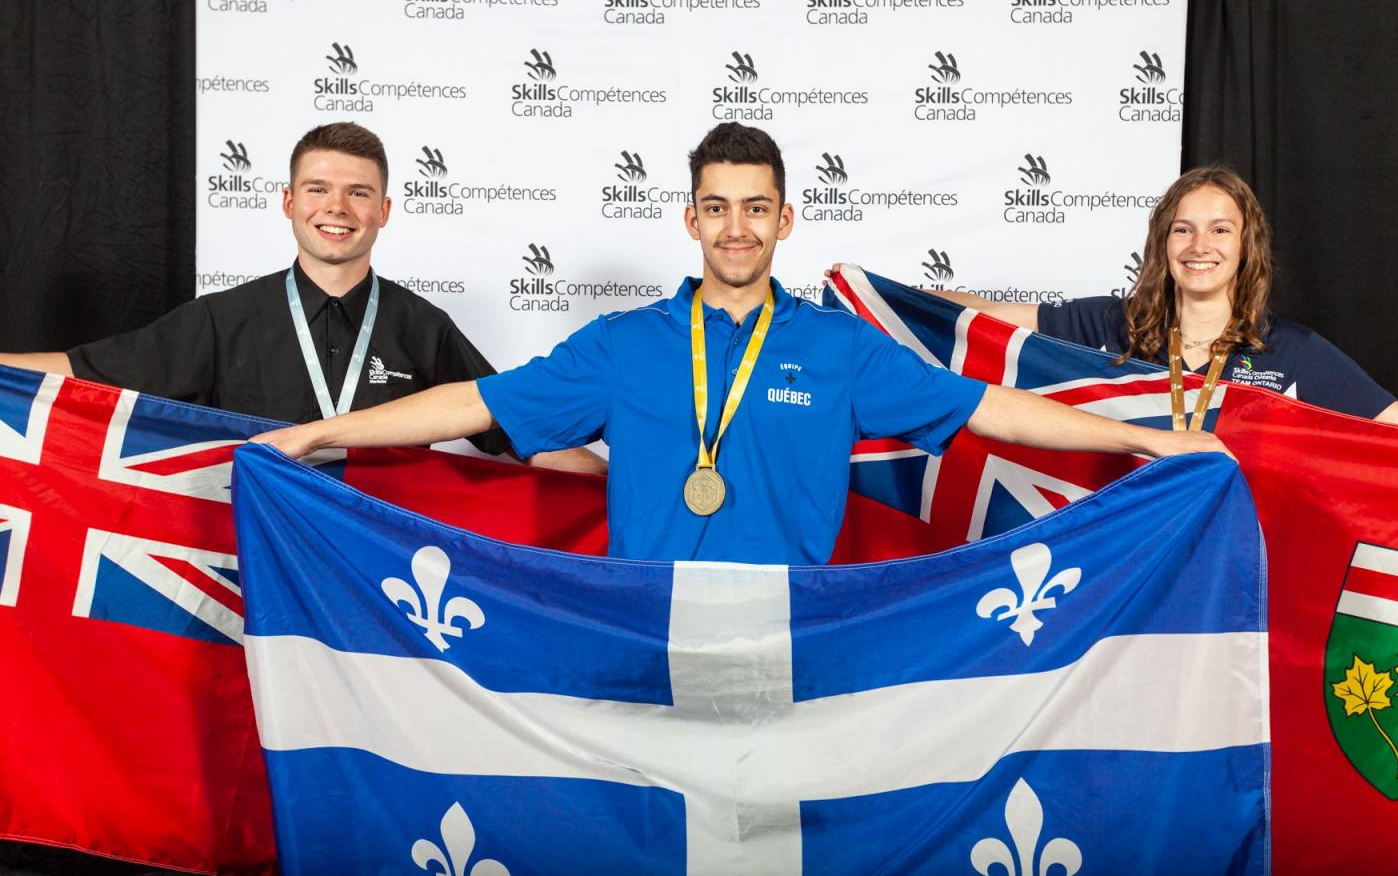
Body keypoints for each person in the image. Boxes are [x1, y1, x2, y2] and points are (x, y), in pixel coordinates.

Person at [255, 123, 1225, 565]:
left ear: (785, 220)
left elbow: (991, 411)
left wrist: (1145, 441)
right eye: (717, 208)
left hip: (796, 634)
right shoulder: (625, 344)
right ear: (689, 219)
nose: (735, 228)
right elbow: (475, 404)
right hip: (648, 630)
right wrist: (316, 435)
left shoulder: (840, 349)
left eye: (755, 209)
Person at [0, 122, 605, 472]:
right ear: (289, 203)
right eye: (318, 189)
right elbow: (85, 374)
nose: (337, 209)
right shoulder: (221, 319)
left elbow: (517, 433)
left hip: (379, 565)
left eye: (358, 193)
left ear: (384, 210)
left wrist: (637, 482)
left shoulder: (422, 326)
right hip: (250, 562)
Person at [903, 165, 1398, 435]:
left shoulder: (1293, 352)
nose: (1200, 246)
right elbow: (984, 316)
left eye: (1220, 231)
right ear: (1163, 242)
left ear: (1247, 245)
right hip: (1129, 558)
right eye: (1183, 230)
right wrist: (880, 294)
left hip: (1242, 566)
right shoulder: (1110, 324)